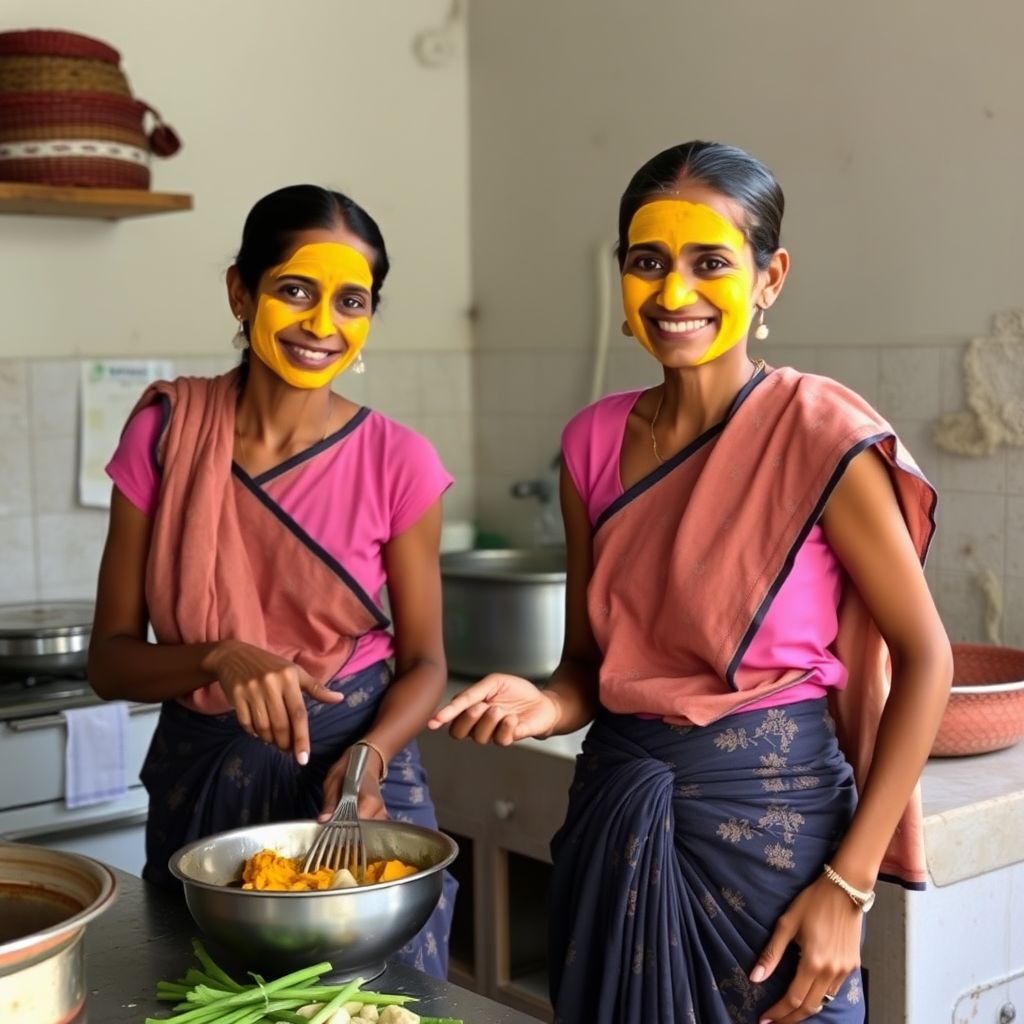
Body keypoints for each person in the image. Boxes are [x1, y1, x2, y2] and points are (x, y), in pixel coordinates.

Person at [429, 141, 953, 1022]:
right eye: (647, 263)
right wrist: (542, 707)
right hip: (614, 822)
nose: (674, 295)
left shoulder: (819, 436)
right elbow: (586, 671)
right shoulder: (591, 443)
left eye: (710, 262)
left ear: (770, 276)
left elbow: (926, 660)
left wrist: (849, 886)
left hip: (776, 846)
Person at [89, 184, 456, 978]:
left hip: (347, 792)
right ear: (240, 290)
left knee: (372, 1004)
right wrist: (218, 656)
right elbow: (109, 661)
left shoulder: (399, 461)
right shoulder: (165, 436)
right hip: (201, 793)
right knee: (209, 997)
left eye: (351, 301)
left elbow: (427, 662)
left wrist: (368, 762)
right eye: (295, 290)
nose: (323, 325)